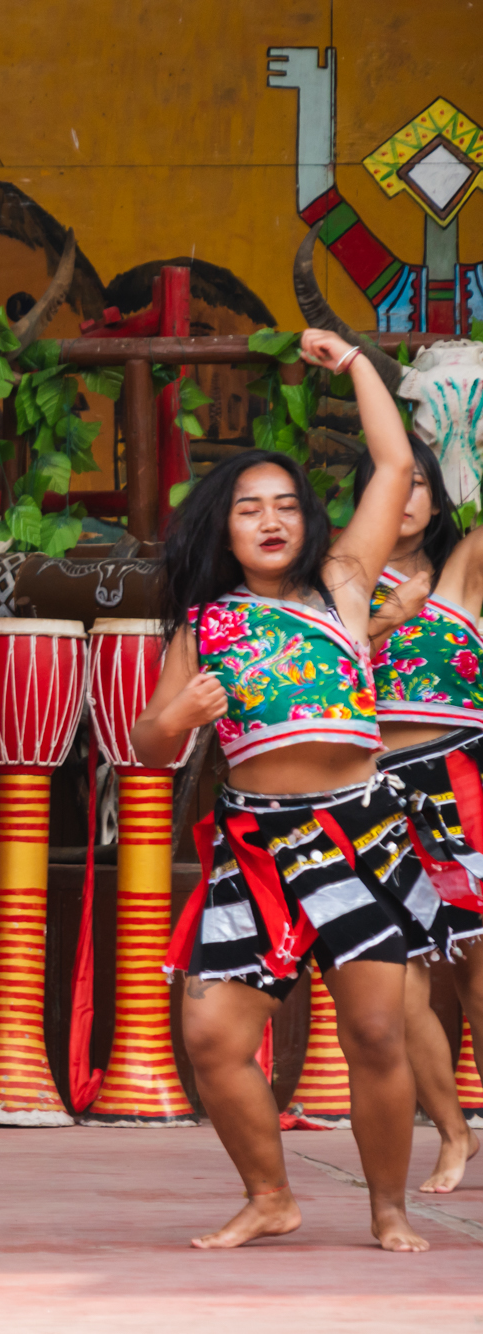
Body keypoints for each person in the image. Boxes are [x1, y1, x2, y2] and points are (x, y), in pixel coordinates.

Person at [131, 328, 436, 1252]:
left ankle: (387, 1208)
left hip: (359, 832)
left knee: (378, 1034)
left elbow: (390, 462)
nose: (269, 521)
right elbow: (147, 743)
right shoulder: (205, 622)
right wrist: (179, 713)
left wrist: (354, 367)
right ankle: (271, 1195)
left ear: (308, 522)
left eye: (285, 507)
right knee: (214, 1039)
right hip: (255, 847)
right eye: (248, 509)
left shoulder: (343, 586)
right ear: (223, 528)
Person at [352, 440, 483, 1192]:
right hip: (371, 794)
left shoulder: (460, 573)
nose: (404, 497)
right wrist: (381, 618)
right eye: (387, 483)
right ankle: (454, 1131)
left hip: (458, 781)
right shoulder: (337, 587)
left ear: (438, 497)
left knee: (477, 976)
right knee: (397, 987)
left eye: (420, 484)